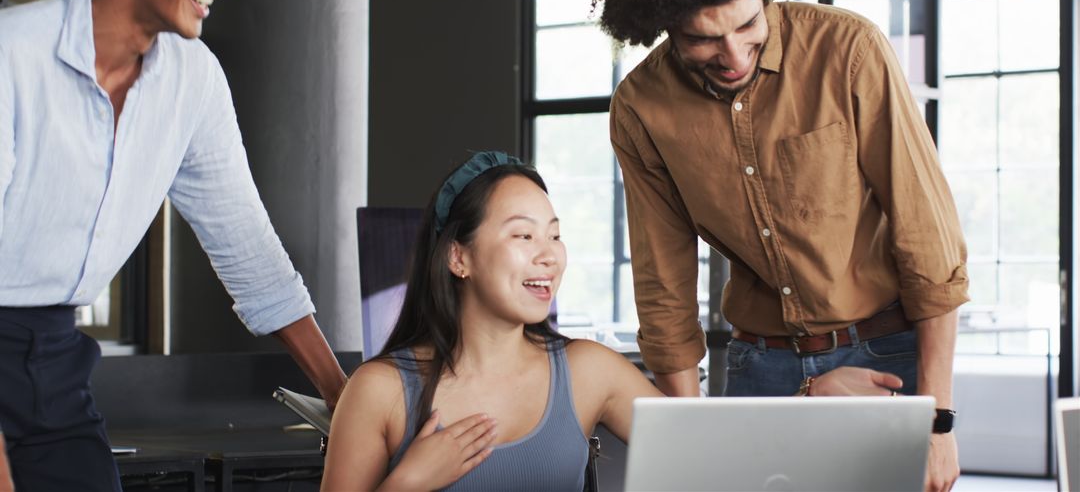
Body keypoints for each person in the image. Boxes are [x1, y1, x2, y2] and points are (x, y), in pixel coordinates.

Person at [593, 0, 968, 491]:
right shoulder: (642, 108)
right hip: (761, 364)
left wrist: (938, 419)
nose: (734, 54)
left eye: (748, 24)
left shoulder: (848, 51)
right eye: (703, 38)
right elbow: (663, 283)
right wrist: (688, 436)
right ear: (663, 23)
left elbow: (927, 240)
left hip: (888, 353)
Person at [321, 151, 904, 491]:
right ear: (459, 257)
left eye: (555, 236)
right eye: (522, 235)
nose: (549, 255)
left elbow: (715, 465)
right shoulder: (379, 392)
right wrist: (408, 484)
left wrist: (811, 394)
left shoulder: (588, 371)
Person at [0, 0, 347, 489]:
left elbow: (249, 251)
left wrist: (344, 396)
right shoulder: (12, 54)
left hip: (56, 365)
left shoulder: (194, 80)